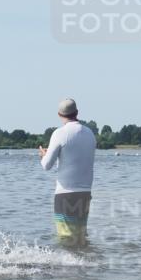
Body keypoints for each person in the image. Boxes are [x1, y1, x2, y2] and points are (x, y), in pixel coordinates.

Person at [39, 98, 96, 245]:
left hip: (65, 194)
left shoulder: (60, 133)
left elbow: (47, 165)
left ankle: (68, 267)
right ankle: (84, 265)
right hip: (85, 192)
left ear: (59, 114)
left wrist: (43, 155)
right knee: (80, 236)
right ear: (77, 112)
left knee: (66, 238)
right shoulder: (90, 133)